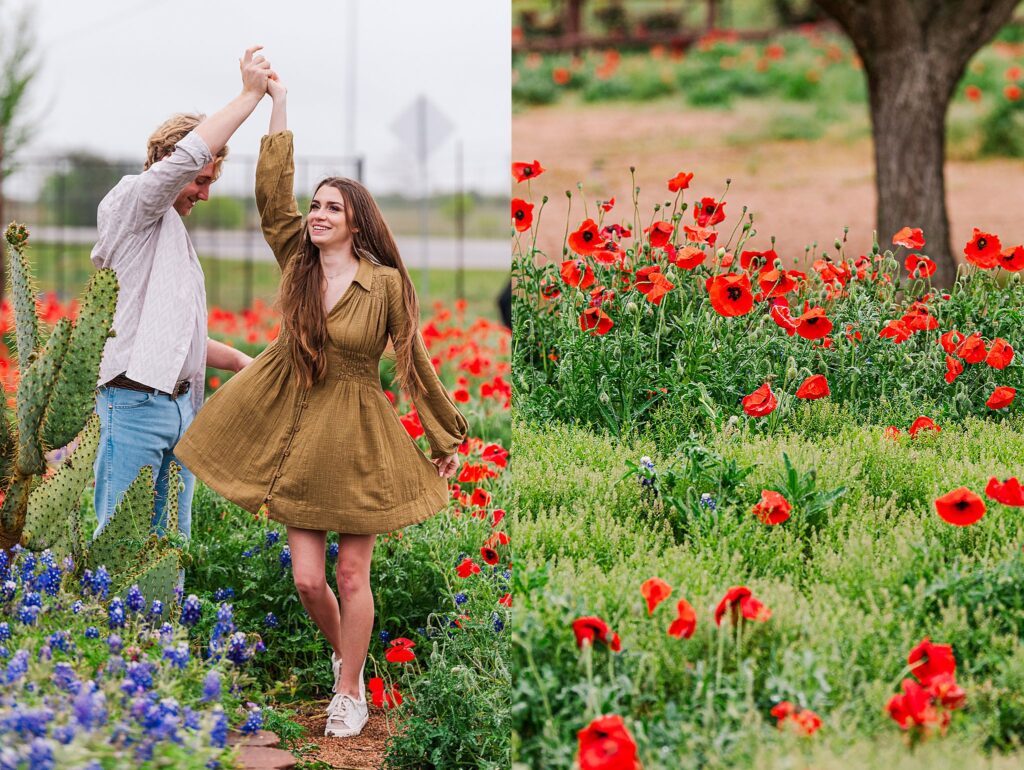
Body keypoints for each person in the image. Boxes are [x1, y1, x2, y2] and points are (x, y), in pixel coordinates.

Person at [175, 71, 468, 739]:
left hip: (359, 431)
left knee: (352, 570)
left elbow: (412, 362)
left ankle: (347, 691)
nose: (317, 215)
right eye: (315, 206)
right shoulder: (297, 264)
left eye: (332, 207)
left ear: (357, 220)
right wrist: (278, 103)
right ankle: (353, 663)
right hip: (298, 430)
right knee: (309, 581)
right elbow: (270, 195)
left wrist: (444, 435)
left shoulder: (387, 283)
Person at [90, 47, 272, 541]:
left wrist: (237, 360)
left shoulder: (170, 232)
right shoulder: (133, 204)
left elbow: (171, 340)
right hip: (132, 404)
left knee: (172, 548)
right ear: (169, 166)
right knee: (119, 544)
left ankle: (162, 623)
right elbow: (188, 155)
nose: (205, 192)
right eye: (200, 179)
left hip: (180, 409)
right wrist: (250, 96)